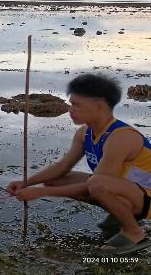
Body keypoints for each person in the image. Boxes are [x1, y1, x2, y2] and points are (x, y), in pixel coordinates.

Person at [8, 73, 151, 254]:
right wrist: (27, 182)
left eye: (76, 105)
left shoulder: (121, 137)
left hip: (147, 197)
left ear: (99, 106)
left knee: (97, 184)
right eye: (71, 104)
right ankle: (121, 214)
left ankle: (135, 232)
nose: (70, 110)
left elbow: (94, 185)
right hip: (128, 189)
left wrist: (41, 192)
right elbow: (62, 167)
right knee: (56, 180)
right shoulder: (85, 133)